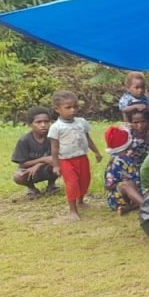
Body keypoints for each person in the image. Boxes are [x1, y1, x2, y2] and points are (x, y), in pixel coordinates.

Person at [48, 90, 103, 220]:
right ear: (57, 109)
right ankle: (72, 209)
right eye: (68, 107)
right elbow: (54, 147)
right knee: (72, 184)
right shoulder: (56, 127)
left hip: (82, 157)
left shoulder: (81, 122)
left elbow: (87, 138)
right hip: (66, 160)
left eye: (75, 107)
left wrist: (96, 151)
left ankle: (81, 201)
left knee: (84, 180)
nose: (72, 110)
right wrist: (56, 165)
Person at [11, 106, 57, 200]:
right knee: (18, 176)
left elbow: (57, 157)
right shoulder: (24, 141)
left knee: (62, 164)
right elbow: (23, 163)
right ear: (30, 124)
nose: (43, 125)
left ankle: (51, 185)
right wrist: (43, 160)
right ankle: (32, 189)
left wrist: (39, 164)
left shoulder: (53, 138)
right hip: (30, 171)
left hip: (49, 168)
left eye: (46, 121)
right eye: (38, 122)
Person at [103, 124, 144, 215]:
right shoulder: (115, 162)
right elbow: (108, 185)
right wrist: (125, 182)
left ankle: (128, 208)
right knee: (126, 184)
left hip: (135, 191)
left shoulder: (127, 157)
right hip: (119, 196)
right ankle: (146, 206)